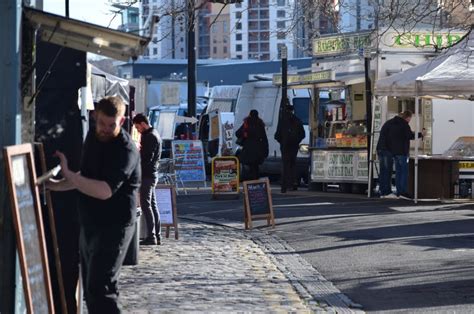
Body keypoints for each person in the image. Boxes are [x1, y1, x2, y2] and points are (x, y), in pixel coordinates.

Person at [47, 96, 141, 313]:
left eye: (112, 125)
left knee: (101, 290)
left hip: (115, 226)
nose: (106, 129)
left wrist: (69, 175)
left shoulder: (125, 150)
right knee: (92, 290)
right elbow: (86, 178)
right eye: (102, 124)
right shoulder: (93, 137)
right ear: (94, 117)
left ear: (122, 120)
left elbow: (104, 190)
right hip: (91, 223)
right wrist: (56, 185)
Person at [132, 113, 162, 245]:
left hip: (147, 175)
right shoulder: (154, 133)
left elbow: (146, 159)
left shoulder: (149, 137)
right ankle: (157, 235)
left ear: (143, 124)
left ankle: (152, 236)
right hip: (152, 174)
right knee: (152, 205)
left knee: (146, 205)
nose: (138, 130)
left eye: (138, 127)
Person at [385, 110, 425, 199]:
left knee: (398, 172)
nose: (410, 120)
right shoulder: (404, 124)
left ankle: (399, 191)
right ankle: (403, 191)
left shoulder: (393, 124)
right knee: (404, 172)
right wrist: (420, 134)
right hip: (403, 152)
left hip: (394, 152)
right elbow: (409, 135)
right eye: (410, 118)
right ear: (408, 117)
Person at [274, 104, 305, 193]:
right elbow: (302, 134)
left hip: (285, 146)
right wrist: (297, 141)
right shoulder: (297, 120)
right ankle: (293, 183)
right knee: (292, 164)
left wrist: (282, 141)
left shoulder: (282, 121)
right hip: (294, 146)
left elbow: (277, 135)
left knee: (285, 165)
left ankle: (285, 184)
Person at [235, 109, 269, 180]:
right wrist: (266, 150)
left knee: (250, 166)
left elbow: (237, 133)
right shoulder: (260, 124)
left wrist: (244, 135)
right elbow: (264, 138)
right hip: (258, 150)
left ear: (250, 114)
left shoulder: (246, 123)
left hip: (248, 149)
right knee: (255, 167)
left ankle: (250, 185)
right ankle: (256, 183)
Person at [376, 116, 396, 198]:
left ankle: (382, 191)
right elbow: (393, 140)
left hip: (381, 149)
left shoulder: (388, 123)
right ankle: (386, 192)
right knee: (387, 171)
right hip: (386, 150)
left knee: (383, 171)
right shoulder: (394, 125)